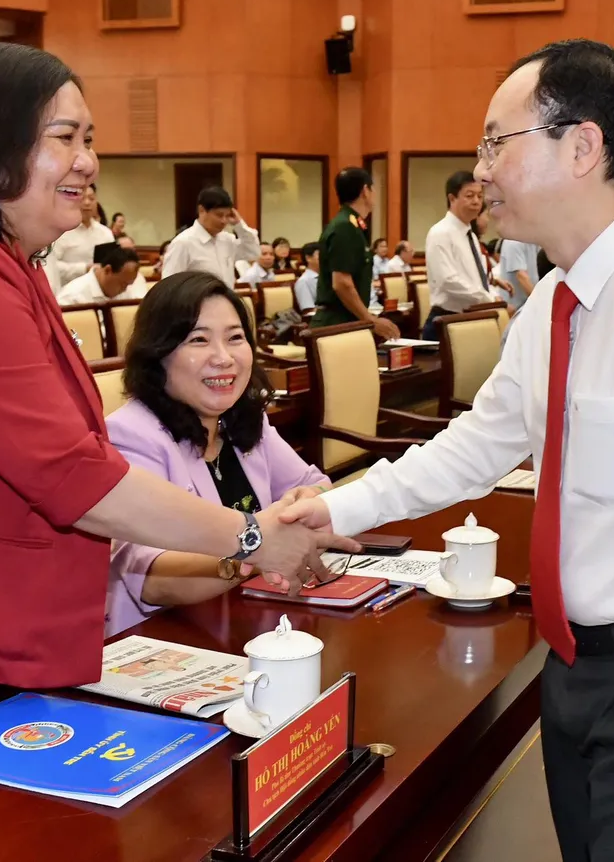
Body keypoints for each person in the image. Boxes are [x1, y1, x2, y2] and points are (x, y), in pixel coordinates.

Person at [282, 39, 614, 862]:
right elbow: (474, 447)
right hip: (571, 669)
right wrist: (331, 510)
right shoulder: (554, 305)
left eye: (497, 141)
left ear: (583, 146)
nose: (482, 168)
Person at [0, 42, 351, 759]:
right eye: (65, 138)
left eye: (89, 140)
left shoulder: (5, 263)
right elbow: (75, 480)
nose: (88, 162)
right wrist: (250, 536)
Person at [106, 273, 331, 636]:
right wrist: (254, 552)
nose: (223, 358)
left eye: (235, 338)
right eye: (198, 340)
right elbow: (149, 577)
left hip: (250, 619)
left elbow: (317, 486)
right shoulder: (131, 435)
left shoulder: (241, 419)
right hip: (167, 639)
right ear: (157, 354)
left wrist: (306, 502)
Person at [311, 167, 399, 340]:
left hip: (348, 319)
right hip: (337, 323)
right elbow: (341, 283)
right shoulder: (345, 226)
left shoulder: (353, 225)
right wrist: (370, 320)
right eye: (373, 189)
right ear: (365, 191)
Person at [421, 171, 509, 341]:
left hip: (471, 317)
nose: (476, 201)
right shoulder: (440, 233)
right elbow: (447, 280)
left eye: (479, 195)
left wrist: (489, 294)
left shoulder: (471, 235)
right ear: (452, 198)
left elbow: (475, 278)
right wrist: (487, 297)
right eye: (469, 196)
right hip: (447, 320)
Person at [161, 186, 260, 287]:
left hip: (225, 299)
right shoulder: (183, 242)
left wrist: (239, 225)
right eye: (219, 215)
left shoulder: (227, 239)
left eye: (227, 216)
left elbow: (253, 252)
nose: (224, 221)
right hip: (196, 301)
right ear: (202, 210)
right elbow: (169, 285)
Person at [52, 183, 114, 286]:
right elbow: (52, 267)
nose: (87, 203)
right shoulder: (61, 232)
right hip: (68, 294)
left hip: (100, 294)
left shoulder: (105, 233)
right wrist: (84, 268)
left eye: (91, 198)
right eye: (82, 198)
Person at [55, 243, 140, 306]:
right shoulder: (71, 298)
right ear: (108, 270)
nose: (124, 290)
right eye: (123, 284)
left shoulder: (126, 291)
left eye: (128, 285)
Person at [114, 233, 149, 299]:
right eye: (125, 252)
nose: (130, 256)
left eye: (132, 251)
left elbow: (139, 301)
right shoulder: (109, 277)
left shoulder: (138, 276)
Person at [294, 242, 320, 311]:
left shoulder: (330, 277)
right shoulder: (303, 281)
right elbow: (309, 311)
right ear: (308, 258)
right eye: (320, 255)